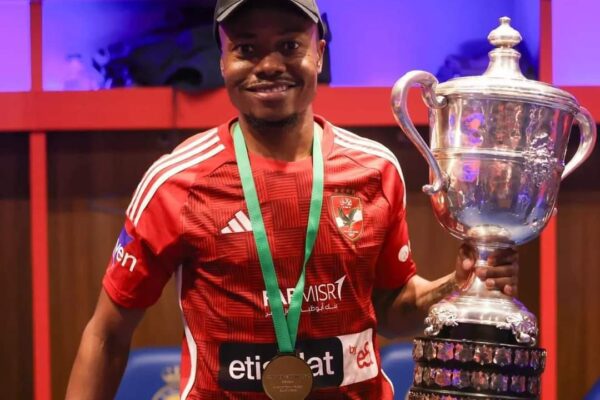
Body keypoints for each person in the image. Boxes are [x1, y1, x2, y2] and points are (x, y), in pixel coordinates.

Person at [66, 0, 518, 399]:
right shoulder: (176, 181)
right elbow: (106, 335)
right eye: (246, 48)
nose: (268, 65)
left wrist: (457, 285)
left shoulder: (375, 170)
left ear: (319, 53)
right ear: (222, 60)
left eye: (289, 46)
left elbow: (390, 310)